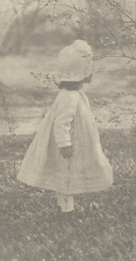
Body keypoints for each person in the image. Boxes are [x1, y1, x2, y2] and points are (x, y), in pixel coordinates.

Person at [17, 40, 113, 221]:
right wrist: (64, 143)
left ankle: (65, 208)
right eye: (89, 68)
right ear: (81, 72)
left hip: (76, 139)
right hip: (70, 144)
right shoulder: (70, 97)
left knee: (68, 174)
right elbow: (61, 123)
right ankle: (67, 213)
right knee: (67, 174)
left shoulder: (73, 95)